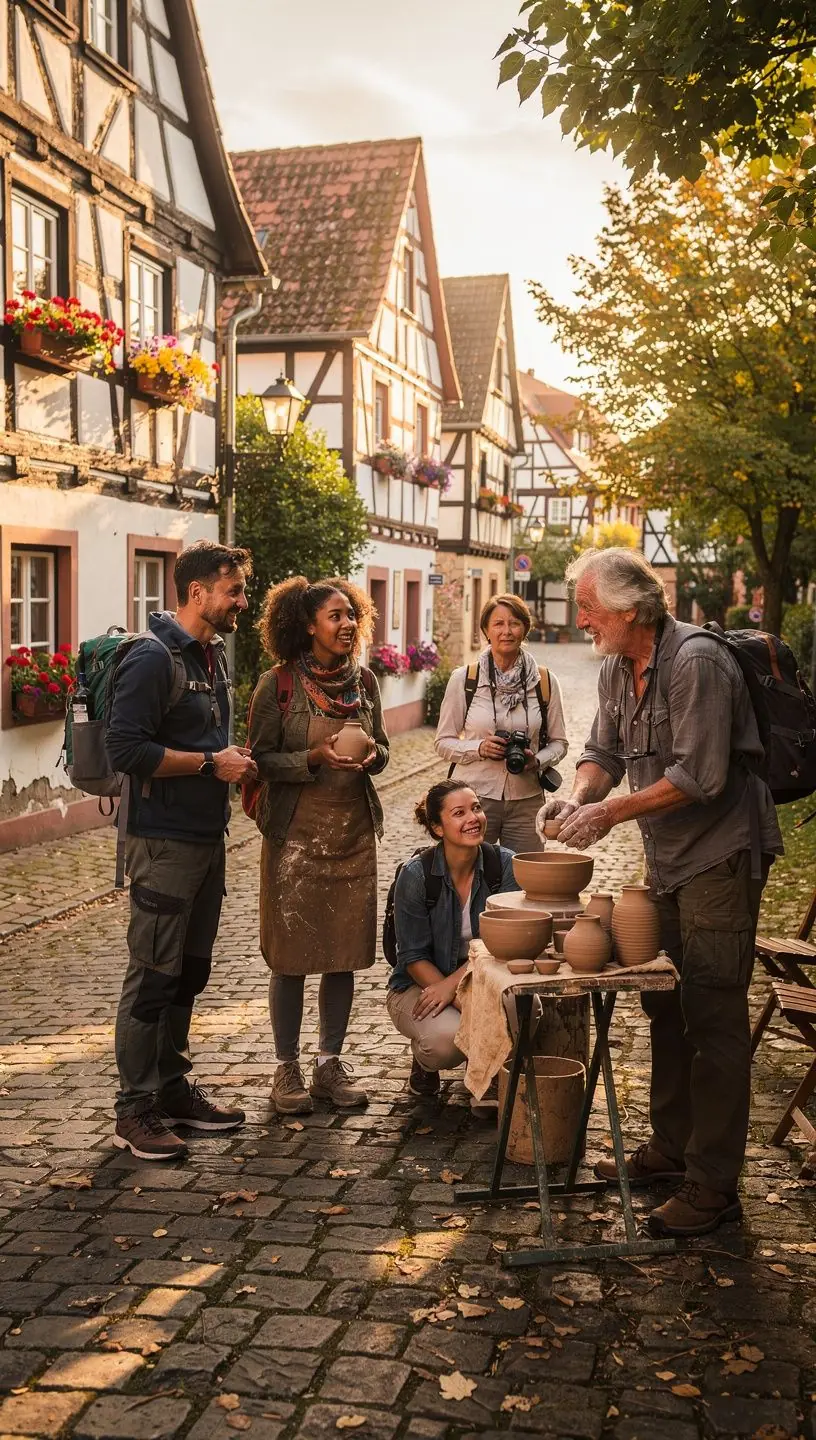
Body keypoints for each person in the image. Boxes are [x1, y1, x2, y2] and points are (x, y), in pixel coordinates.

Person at [537, 547, 783, 1238]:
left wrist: (606, 814)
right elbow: (603, 752)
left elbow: (699, 776)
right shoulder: (619, 665)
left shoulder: (697, 662)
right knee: (663, 1002)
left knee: (712, 1015)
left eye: (588, 607)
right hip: (667, 861)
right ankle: (672, 1149)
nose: (581, 618)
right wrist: (577, 799)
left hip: (720, 856)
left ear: (628, 608)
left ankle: (713, 1186)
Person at [106, 540, 258, 1162]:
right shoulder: (151, 657)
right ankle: (133, 1108)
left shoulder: (212, 654)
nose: (242, 602)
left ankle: (170, 1089)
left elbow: (204, 739)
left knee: (188, 974)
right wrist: (207, 763)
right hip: (162, 843)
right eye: (234, 591)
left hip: (205, 840)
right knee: (153, 975)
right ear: (199, 592)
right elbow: (126, 751)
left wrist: (231, 761)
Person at [248, 576, 390, 1116]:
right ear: (309, 625)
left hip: (352, 835)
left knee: (344, 953)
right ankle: (286, 1069)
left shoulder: (367, 683)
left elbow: (385, 753)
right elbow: (259, 759)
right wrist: (313, 758)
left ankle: (329, 1064)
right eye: (336, 615)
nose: (347, 623)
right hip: (295, 839)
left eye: (352, 614)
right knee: (289, 958)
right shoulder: (278, 684)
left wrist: (371, 755)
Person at [386, 779, 518, 1099]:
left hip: (486, 976)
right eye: (459, 813)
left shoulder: (504, 865)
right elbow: (413, 956)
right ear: (437, 827)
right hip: (421, 982)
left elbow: (506, 942)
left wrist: (457, 988)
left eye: (476, 808)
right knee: (444, 1044)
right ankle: (424, 1063)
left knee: (527, 1012)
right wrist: (460, 1000)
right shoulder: (416, 875)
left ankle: (498, 1078)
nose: (473, 818)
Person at [435, 593, 568, 854]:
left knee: (526, 878)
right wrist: (479, 748)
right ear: (486, 630)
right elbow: (443, 742)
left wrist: (538, 760)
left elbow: (559, 743)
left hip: (526, 799)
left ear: (525, 630)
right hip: (473, 799)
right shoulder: (465, 680)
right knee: (469, 874)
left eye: (514, 623)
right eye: (498, 624)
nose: (506, 631)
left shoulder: (544, 682)